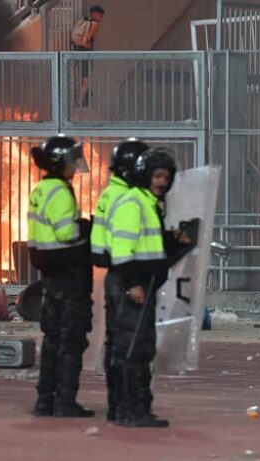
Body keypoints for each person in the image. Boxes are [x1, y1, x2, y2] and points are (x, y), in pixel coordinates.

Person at [107, 147, 179, 428]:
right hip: (134, 289)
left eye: (166, 176)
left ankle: (136, 408)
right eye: (157, 175)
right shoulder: (133, 204)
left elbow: (150, 245)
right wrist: (132, 284)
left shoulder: (147, 203)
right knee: (132, 349)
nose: (162, 181)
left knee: (140, 348)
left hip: (145, 286)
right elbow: (122, 250)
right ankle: (130, 410)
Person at [27, 135, 95, 418]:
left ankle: (45, 399)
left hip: (51, 275)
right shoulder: (59, 192)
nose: (75, 165)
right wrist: (87, 227)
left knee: (52, 339)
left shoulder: (41, 189)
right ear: (59, 163)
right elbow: (66, 232)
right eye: (71, 159)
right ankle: (65, 402)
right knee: (71, 341)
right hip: (69, 275)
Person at [90, 137, 149, 421]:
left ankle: (118, 406)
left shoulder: (109, 193)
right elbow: (125, 244)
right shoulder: (127, 199)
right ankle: (128, 407)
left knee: (117, 344)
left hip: (115, 275)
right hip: (126, 276)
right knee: (129, 345)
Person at [71, 5, 104, 107]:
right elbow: (87, 40)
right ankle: (80, 102)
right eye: (100, 15)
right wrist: (87, 44)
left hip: (77, 51)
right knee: (86, 79)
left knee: (81, 77)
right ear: (95, 14)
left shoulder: (84, 21)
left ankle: (80, 100)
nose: (101, 17)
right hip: (85, 53)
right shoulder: (94, 24)